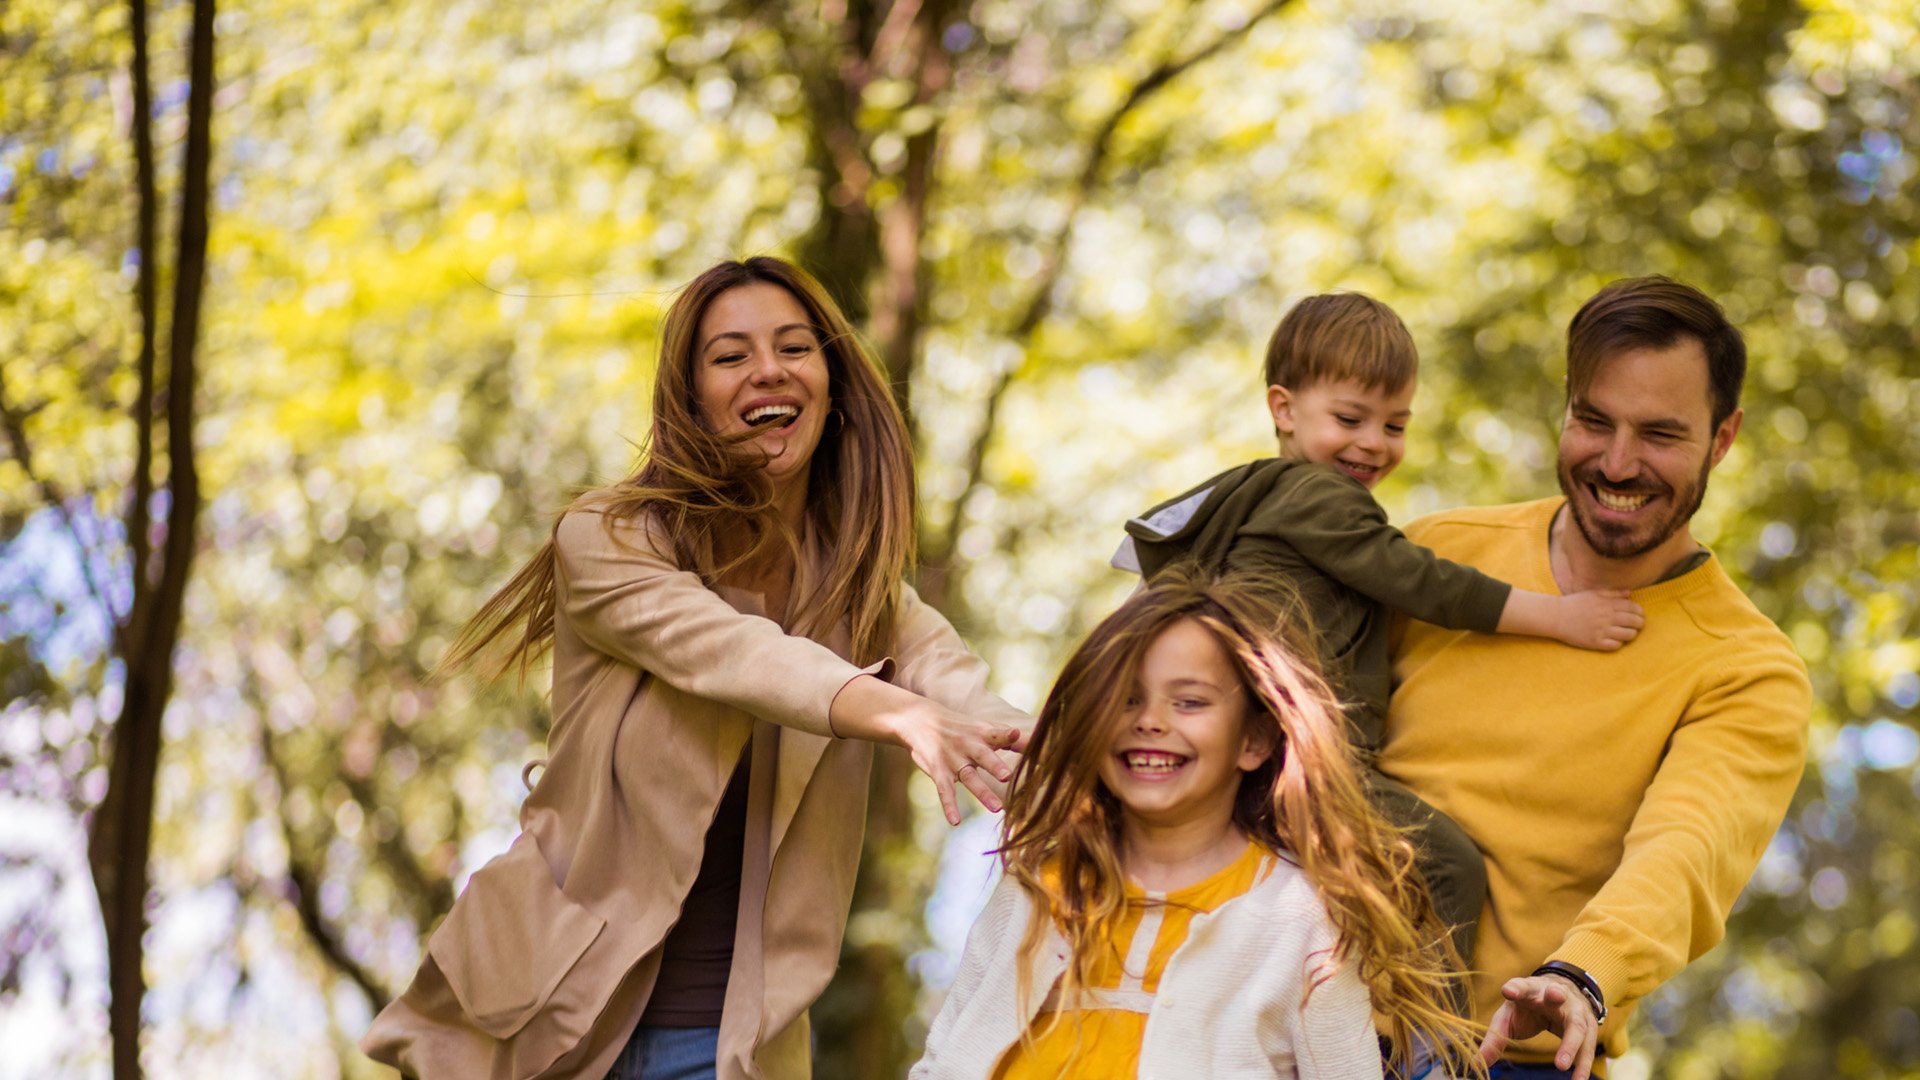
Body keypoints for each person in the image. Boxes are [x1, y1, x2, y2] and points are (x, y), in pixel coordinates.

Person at [360, 257, 1031, 1080]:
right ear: (688, 396)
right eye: (729, 356)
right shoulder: (609, 538)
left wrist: (1068, 754)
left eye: (794, 348)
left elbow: (969, 693)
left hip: (732, 1047)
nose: (768, 371)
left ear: (833, 382)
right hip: (541, 1019)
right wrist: (895, 710)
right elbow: (734, 653)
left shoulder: (863, 594)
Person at [1111, 292, 1645, 968]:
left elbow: (1149, 601)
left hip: (1251, 758)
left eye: (1395, 425)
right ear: (1284, 409)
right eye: (1349, 418)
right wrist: (1560, 616)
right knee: (1447, 867)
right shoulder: (1316, 495)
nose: (1373, 443)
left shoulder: (1246, 498)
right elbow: (1424, 582)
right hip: (1296, 761)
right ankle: (1440, 1055)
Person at [1377, 276, 1811, 1078]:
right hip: (1289, 1016)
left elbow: (1684, 853)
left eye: (1660, 435)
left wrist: (1584, 971)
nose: (1617, 463)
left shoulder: (1746, 668)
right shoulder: (1434, 557)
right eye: (1593, 420)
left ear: (1722, 439)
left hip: (1501, 1054)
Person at [914, 568, 1484, 1080]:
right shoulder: (1039, 879)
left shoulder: (1303, 917)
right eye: (1126, 699)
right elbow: (947, 1052)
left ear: (1254, 740)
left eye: (1189, 702)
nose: (1151, 722)